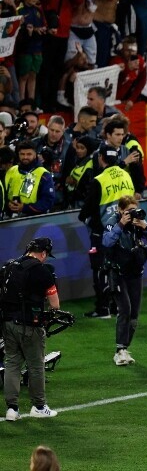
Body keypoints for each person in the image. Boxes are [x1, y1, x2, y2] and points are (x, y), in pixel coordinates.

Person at [2, 237, 60, 421]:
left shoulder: (9, 266)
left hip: (7, 323)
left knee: (12, 363)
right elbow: (55, 304)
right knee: (35, 366)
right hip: (29, 326)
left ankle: (12, 409)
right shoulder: (42, 271)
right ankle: (39, 406)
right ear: (43, 253)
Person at [78, 145, 135, 319]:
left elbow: (88, 208)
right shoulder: (126, 175)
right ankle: (118, 306)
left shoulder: (99, 180)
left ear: (101, 158)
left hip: (102, 231)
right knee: (120, 268)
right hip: (124, 228)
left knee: (100, 268)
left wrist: (83, 217)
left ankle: (103, 308)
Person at [102, 195, 147, 366]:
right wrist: (121, 225)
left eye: (134, 210)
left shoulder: (138, 222)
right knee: (125, 309)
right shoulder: (113, 221)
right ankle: (119, 351)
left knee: (134, 315)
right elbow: (107, 241)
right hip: (117, 273)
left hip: (135, 273)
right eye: (128, 211)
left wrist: (145, 227)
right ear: (120, 210)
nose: (132, 214)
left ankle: (124, 349)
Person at [4, 141, 55, 217]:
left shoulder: (44, 175)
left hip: (32, 221)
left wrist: (24, 208)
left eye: (29, 154)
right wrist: (7, 203)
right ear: (18, 154)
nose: (25, 157)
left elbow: (48, 202)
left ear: (35, 154)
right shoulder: (11, 170)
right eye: (22, 154)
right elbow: (3, 193)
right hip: (9, 218)